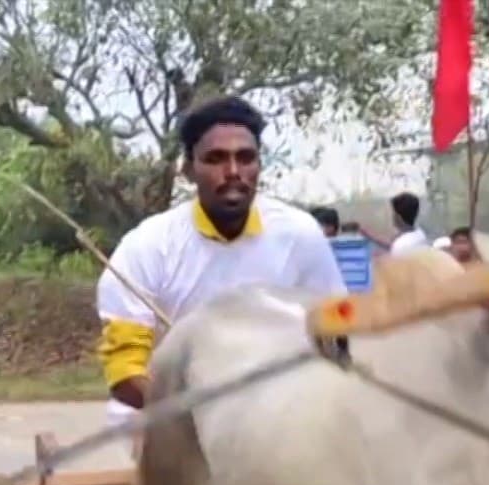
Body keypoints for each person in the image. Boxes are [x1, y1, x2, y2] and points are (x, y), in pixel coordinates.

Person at [94, 94, 345, 430]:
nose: (233, 172)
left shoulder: (301, 235)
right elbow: (125, 374)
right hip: (167, 421)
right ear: (187, 169)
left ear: (259, 164)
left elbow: (338, 328)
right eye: (215, 159)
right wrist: (206, 416)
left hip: (275, 423)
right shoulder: (146, 248)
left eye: (245, 158)